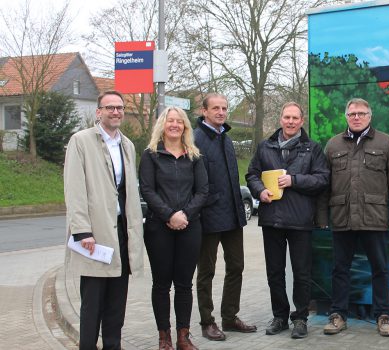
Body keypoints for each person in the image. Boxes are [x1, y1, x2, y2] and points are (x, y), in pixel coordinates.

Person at [317, 98, 389, 337]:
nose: (356, 117)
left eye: (361, 113)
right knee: (340, 269)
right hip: (342, 216)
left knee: (379, 268)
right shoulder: (333, 144)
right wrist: (321, 216)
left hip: (374, 216)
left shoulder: (385, 142)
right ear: (346, 116)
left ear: (370, 116)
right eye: (352, 114)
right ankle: (338, 315)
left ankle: (383, 315)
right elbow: (324, 185)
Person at [64, 90, 144, 349]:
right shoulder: (81, 141)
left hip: (121, 232)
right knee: (93, 302)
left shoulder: (127, 145)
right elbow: (74, 188)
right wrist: (81, 230)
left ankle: (113, 345)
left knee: (116, 303)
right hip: (95, 235)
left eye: (120, 107)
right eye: (110, 107)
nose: (116, 112)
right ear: (99, 112)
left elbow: (129, 191)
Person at [246, 102, 329, 339]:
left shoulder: (312, 148)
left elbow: (322, 179)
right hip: (271, 218)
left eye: (295, 118)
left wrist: (294, 180)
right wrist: (259, 190)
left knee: (302, 272)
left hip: (300, 219)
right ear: (280, 119)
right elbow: (251, 174)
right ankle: (280, 316)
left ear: (302, 121)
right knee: (275, 272)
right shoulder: (265, 146)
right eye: (286, 117)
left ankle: (300, 318)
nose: (290, 121)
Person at [139, 107, 209, 350]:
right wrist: (169, 215)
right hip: (159, 228)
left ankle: (183, 336)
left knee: (184, 284)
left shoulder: (194, 156)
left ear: (185, 127)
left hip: (190, 227)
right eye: (171, 121)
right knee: (161, 284)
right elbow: (147, 190)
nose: (175, 125)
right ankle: (164, 337)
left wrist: (185, 215)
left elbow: (202, 191)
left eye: (180, 122)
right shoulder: (151, 155)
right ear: (163, 124)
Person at [194, 92, 257, 341]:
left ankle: (229, 317)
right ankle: (207, 322)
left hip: (233, 216)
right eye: (216, 108)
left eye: (224, 108)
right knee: (206, 272)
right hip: (209, 217)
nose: (221, 112)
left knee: (236, 267)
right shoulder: (197, 139)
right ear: (204, 111)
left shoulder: (226, 139)